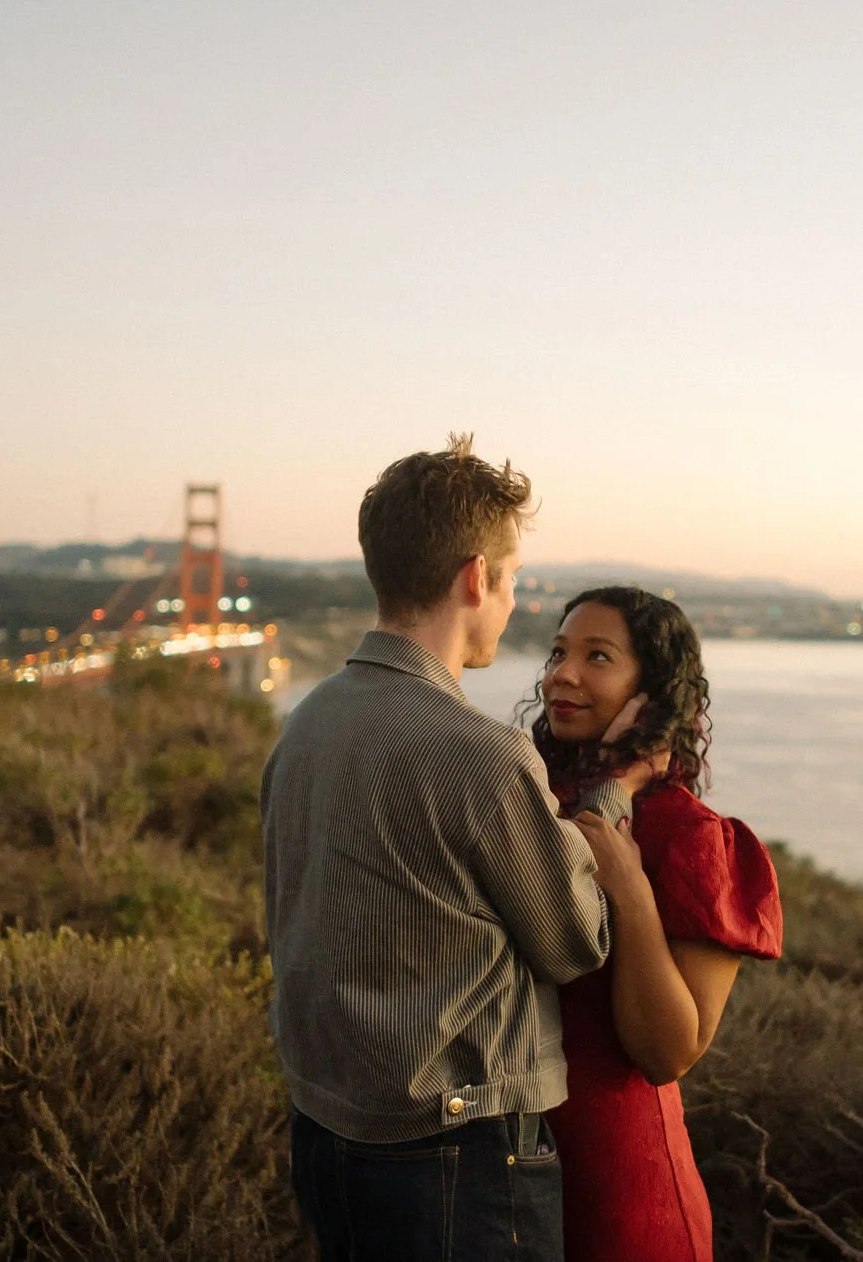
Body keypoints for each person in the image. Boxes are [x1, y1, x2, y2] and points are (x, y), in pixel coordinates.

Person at [261, 435, 646, 1262]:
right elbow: (577, 941)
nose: (509, 607)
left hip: (325, 1135)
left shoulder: (308, 724)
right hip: (456, 1155)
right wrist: (613, 796)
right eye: (509, 582)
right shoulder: (479, 752)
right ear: (477, 577)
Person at [528, 586, 784, 1262]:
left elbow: (669, 1052)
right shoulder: (530, 804)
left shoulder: (689, 838)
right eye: (559, 651)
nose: (563, 673)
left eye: (598, 656)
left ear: (653, 691)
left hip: (618, 1186)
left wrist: (632, 896)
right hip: (500, 1172)